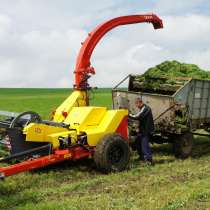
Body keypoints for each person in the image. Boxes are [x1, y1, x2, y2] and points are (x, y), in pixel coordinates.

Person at [129, 97, 154, 164]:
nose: (136, 106)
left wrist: (128, 114)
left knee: (144, 144)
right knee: (137, 142)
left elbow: (137, 116)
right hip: (142, 130)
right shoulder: (142, 108)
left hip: (146, 130)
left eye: (136, 104)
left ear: (139, 102)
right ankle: (142, 157)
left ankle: (148, 160)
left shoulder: (146, 108)